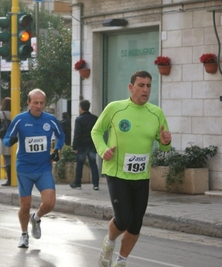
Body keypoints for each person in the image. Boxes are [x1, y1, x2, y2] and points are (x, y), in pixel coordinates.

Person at [92, 71, 172, 267]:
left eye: (148, 86)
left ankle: (121, 260)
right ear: (131, 87)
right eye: (141, 85)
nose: (145, 90)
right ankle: (109, 242)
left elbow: (164, 145)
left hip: (141, 176)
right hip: (117, 173)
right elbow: (96, 131)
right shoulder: (115, 108)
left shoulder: (156, 113)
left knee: (136, 224)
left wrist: (165, 142)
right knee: (124, 218)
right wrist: (103, 151)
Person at [3, 88, 65, 249]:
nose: (38, 106)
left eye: (41, 103)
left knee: (50, 203)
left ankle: (36, 218)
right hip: (24, 169)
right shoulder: (20, 120)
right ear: (28, 103)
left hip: (43, 167)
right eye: (35, 103)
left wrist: (57, 149)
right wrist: (11, 140)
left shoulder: (50, 120)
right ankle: (24, 235)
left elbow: (61, 135)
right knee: (25, 205)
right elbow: (6, 139)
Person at [70, 99, 100, 190]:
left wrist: (74, 146)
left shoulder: (79, 120)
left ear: (81, 108)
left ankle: (78, 183)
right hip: (92, 144)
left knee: (79, 164)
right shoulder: (95, 118)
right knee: (93, 164)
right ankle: (96, 184)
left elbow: (77, 134)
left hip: (82, 145)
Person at [0, 97, 12, 186]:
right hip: (13, 138)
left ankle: (9, 180)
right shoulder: (14, 113)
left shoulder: (1, 114)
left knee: (7, 160)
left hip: (4, 138)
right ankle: (14, 178)